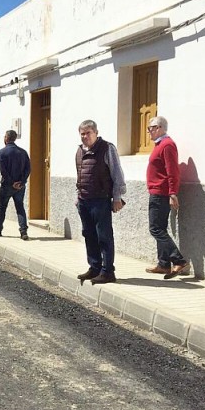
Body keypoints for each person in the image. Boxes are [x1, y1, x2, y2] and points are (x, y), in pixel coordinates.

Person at [75, 119, 126, 285]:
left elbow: (117, 174)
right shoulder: (79, 151)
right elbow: (80, 174)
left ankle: (108, 271)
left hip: (100, 200)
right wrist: (78, 196)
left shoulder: (107, 148)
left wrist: (117, 197)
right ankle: (94, 267)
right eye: (82, 133)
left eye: (88, 133)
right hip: (84, 200)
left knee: (104, 236)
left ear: (96, 133)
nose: (85, 136)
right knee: (89, 235)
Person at [144, 116, 189, 279]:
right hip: (156, 192)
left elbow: (172, 171)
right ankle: (164, 264)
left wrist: (172, 193)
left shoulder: (167, 145)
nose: (149, 131)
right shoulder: (160, 145)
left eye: (151, 128)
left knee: (155, 228)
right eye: (149, 128)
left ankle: (179, 260)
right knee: (160, 228)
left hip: (161, 193)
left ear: (160, 127)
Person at [0, 130, 31, 240]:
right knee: (20, 207)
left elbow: (3, 170)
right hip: (20, 186)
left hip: (7, 186)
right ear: (14, 138)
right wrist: (21, 182)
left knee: (2, 207)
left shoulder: (2, 152)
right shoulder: (23, 152)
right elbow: (28, 169)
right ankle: (23, 231)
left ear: (6, 138)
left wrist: (11, 182)